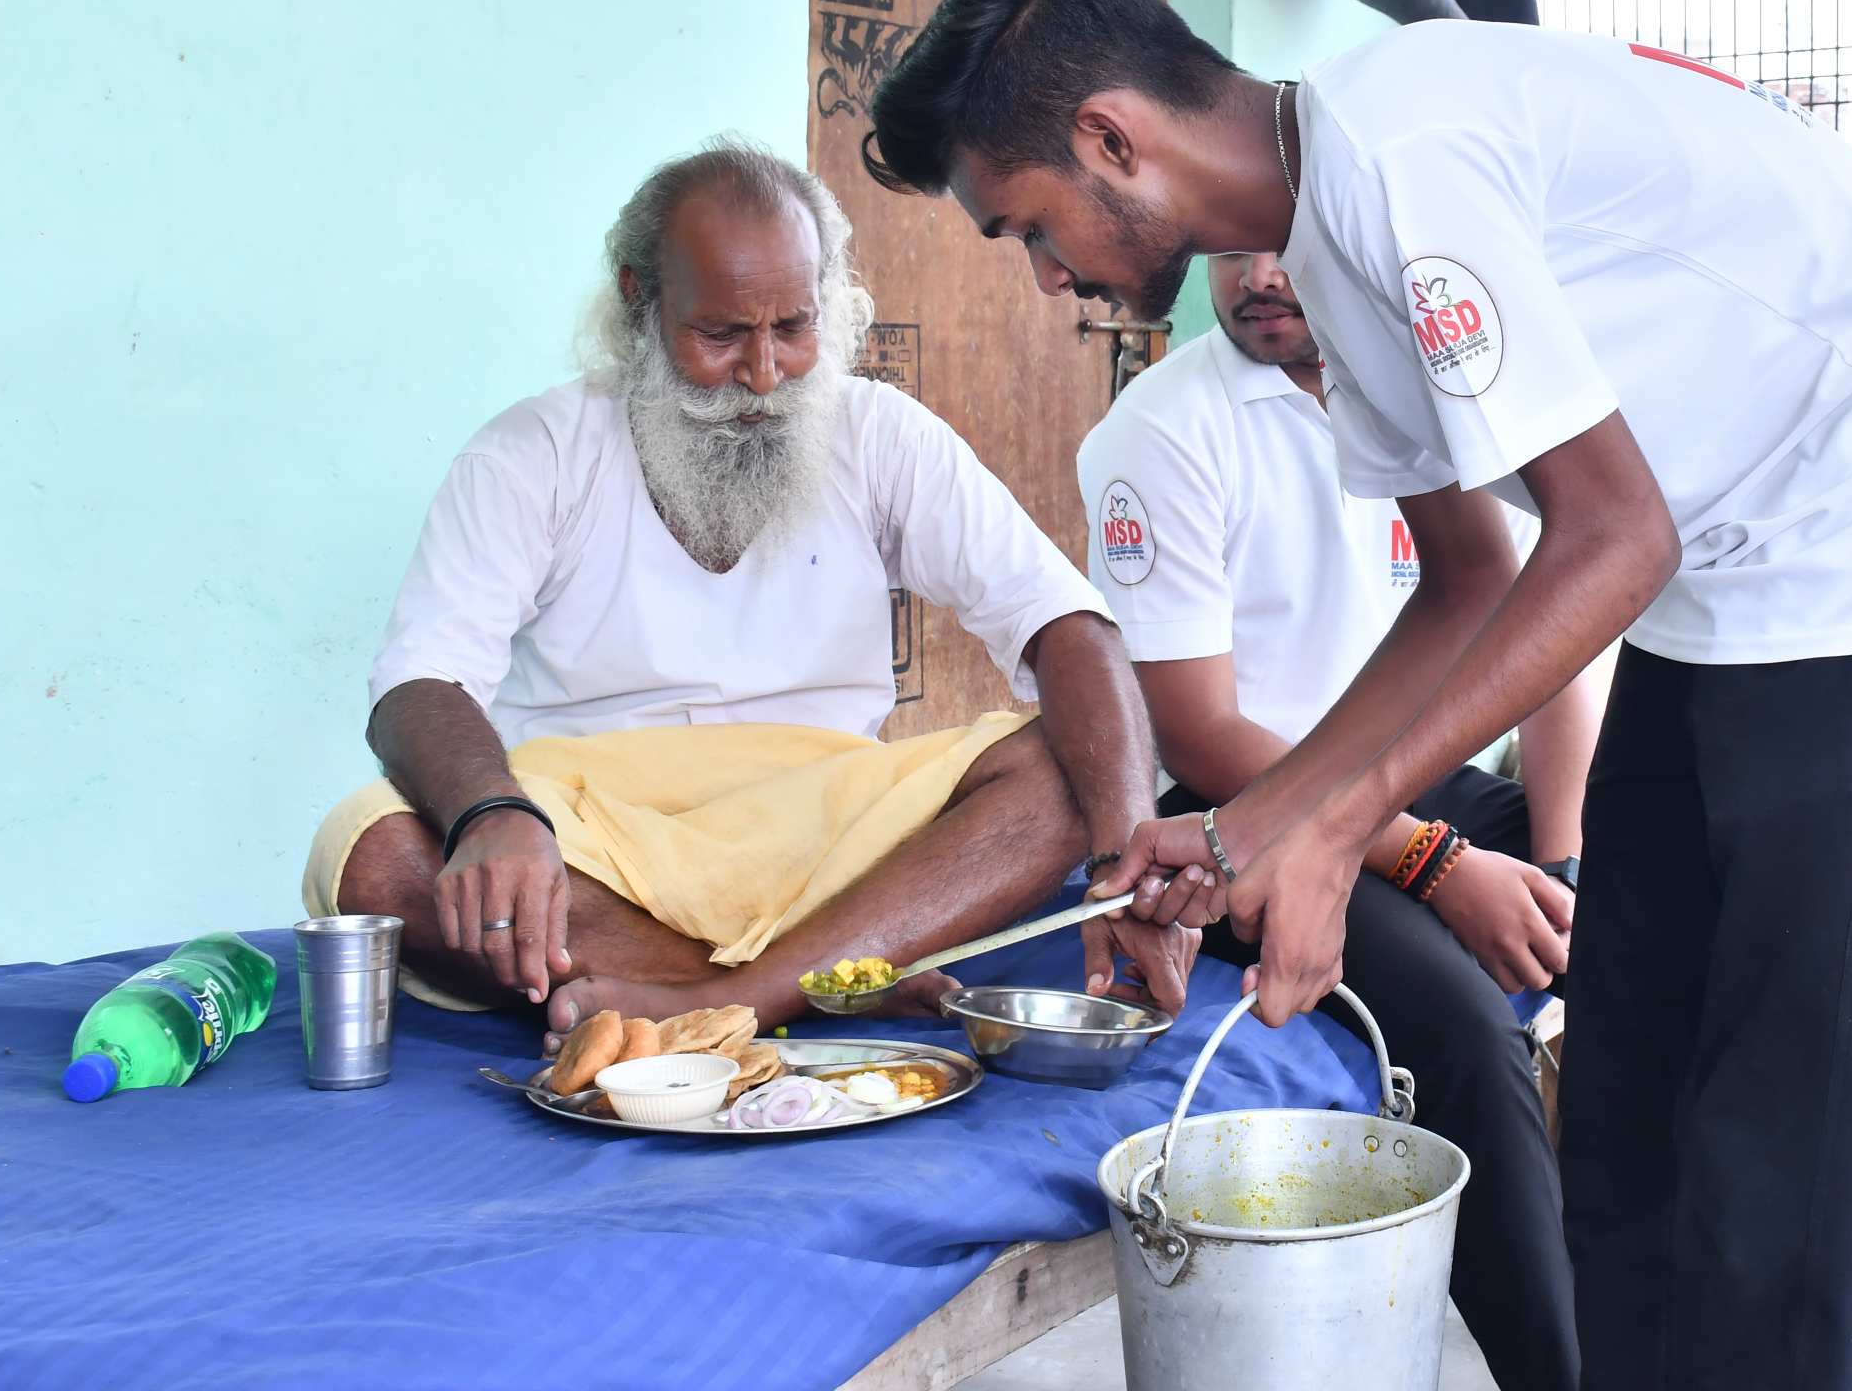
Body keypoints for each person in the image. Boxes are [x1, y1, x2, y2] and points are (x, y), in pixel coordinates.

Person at [862, 0, 1852, 1389]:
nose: (1046, 275)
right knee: (1625, 1123)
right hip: (1718, 574)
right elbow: (1469, 576)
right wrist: (1247, 828)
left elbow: (1612, 538)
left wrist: (1344, 826)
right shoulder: (1328, 244)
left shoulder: (1395, 164)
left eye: (1028, 227)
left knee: (1783, 1179)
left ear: (1110, 139)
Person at [309, 139, 1194, 1044]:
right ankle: (819, 981)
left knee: (1072, 761)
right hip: (600, 846)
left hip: (834, 841)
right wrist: (492, 813)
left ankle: (721, 996)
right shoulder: (533, 453)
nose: (765, 376)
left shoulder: (880, 435)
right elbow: (420, 682)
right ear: (640, 302)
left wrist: (1129, 861)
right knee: (372, 851)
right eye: (722, 335)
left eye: (793, 329)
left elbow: (1066, 627)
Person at [1077, 248, 1606, 1390]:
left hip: (1411, 778)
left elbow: (1551, 630)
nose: (1261, 274)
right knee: (1466, 1031)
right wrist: (1440, 864)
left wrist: (1561, 857)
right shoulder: (1162, 432)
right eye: (1232, 250)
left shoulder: (1425, 389)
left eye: (1283, 239)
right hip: (1237, 818)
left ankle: (1652, 1320)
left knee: (1643, 895)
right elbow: (1201, 736)